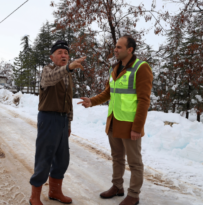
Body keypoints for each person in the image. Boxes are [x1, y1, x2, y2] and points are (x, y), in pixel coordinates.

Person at [77, 35, 153, 205]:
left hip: (130, 124)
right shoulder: (115, 68)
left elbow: (144, 100)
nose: (115, 50)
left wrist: (137, 127)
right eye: (115, 47)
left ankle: (133, 195)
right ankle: (117, 187)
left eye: (119, 47)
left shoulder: (141, 68)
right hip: (114, 121)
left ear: (130, 50)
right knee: (117, 157)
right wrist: (92, 101)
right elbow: (108, 93)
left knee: (134, 162)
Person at [29, 40, 86, 205]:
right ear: (52, 57)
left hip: (62, 120)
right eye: (60, 52)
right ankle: (35, 197)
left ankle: (54, 192)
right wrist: (69, 67)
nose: (64, 55)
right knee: (44, 158)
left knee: (62, 158)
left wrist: (68, 124)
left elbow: (68, 101)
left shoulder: (67, 75)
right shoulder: (48, 71)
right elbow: (51, 79)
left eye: (66, 53)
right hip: (48, 119)